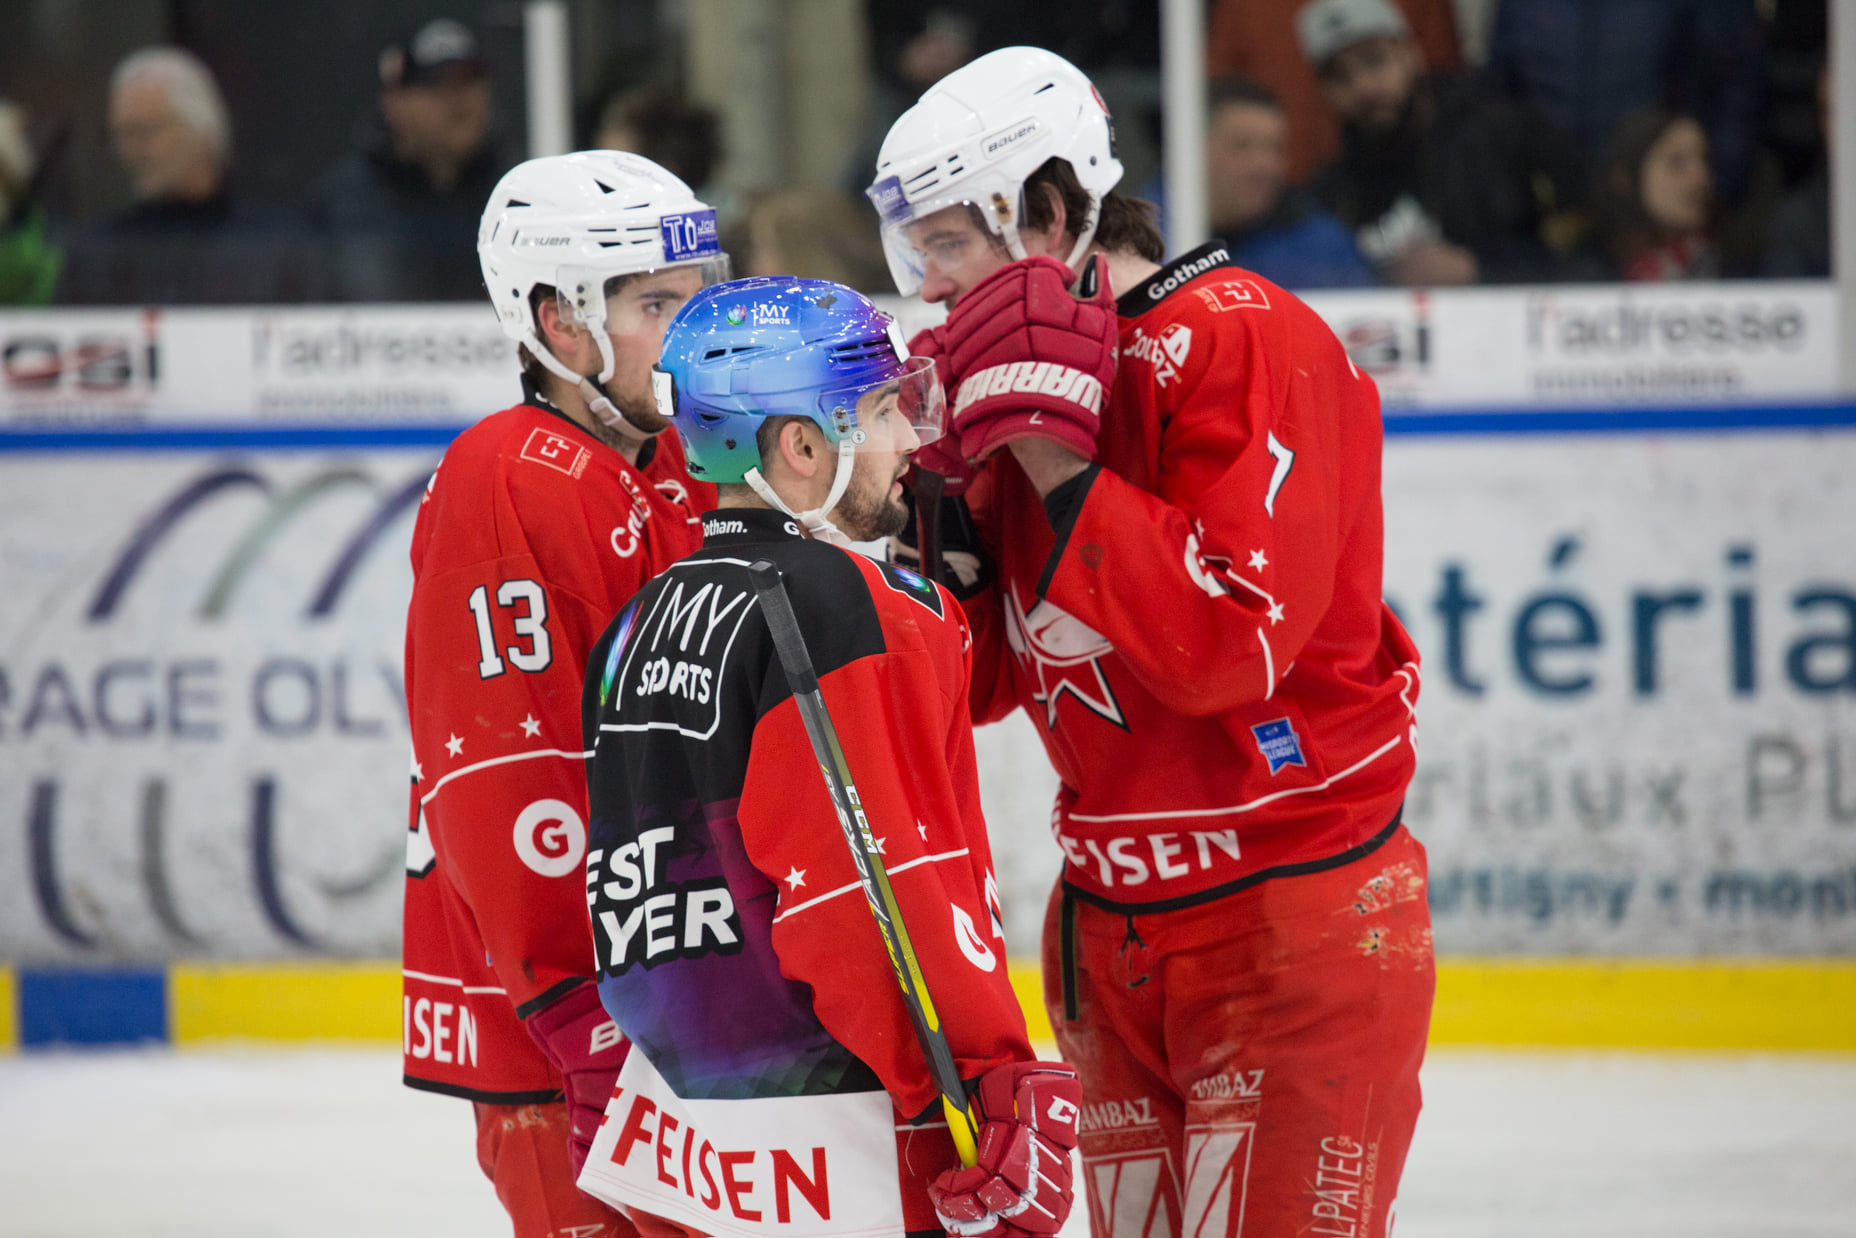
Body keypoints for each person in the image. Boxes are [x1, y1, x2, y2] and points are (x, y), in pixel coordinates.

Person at [868, 46, 1432, 1238]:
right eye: (914, 248)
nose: (925, 284)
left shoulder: (1244, 339)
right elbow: (976, 685)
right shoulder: (999, 377)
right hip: (1104, 937)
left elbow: (1231, 642)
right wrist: (926, 529)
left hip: (1288, 925)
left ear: (1053, 212)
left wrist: (1053, 462)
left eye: (950, 243)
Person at [574, 276, 1082, 1238]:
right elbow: (877, 884)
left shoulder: (636, 623)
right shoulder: (854, 605)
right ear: (803, 445)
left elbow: (629, 890)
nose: (909, 441)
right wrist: (987, 1082)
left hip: (685, 1140)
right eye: (883, 409)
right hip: (849, 1145)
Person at [401, 149, 730, 1238]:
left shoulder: (668, 459)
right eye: (653, 303)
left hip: (674, 1006)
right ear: (559, 318)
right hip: (573, 1044)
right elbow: (510, 778)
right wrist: (577, 1014)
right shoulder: (511, 478)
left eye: (697, 294)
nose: (690, 328)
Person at [1297, 0, 1584, 286]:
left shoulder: (1507, 138)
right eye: (1339, 76)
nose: (1363, 87)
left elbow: (1585, 262)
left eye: (1374, 61)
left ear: (1412, 54)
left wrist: (1479, 271)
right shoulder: (1331, 193)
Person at [57, 46, 316, 304]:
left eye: (145, 132)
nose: (131, 150)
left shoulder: (275, 247)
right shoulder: (96, 255)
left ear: (203, 131)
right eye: (122, 135)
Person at [311, 18, 510, 300]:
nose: (459, 99)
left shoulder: (517, 196)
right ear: (393, 102)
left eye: (471, 80)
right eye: (437, 85)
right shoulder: (340, 203)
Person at [1204, 77, 1374, 289]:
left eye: (1275, 148)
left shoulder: (1321, 248)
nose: (1263, 165)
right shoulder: (1153, 236)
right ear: (1194, 150)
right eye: (1242, 146)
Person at [1577, 110, 1719, 282]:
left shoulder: (1732, 266)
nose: (1701, 178)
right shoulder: (1582, 276)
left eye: (1704, 159)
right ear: (1625, 179)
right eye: (1677, 162)